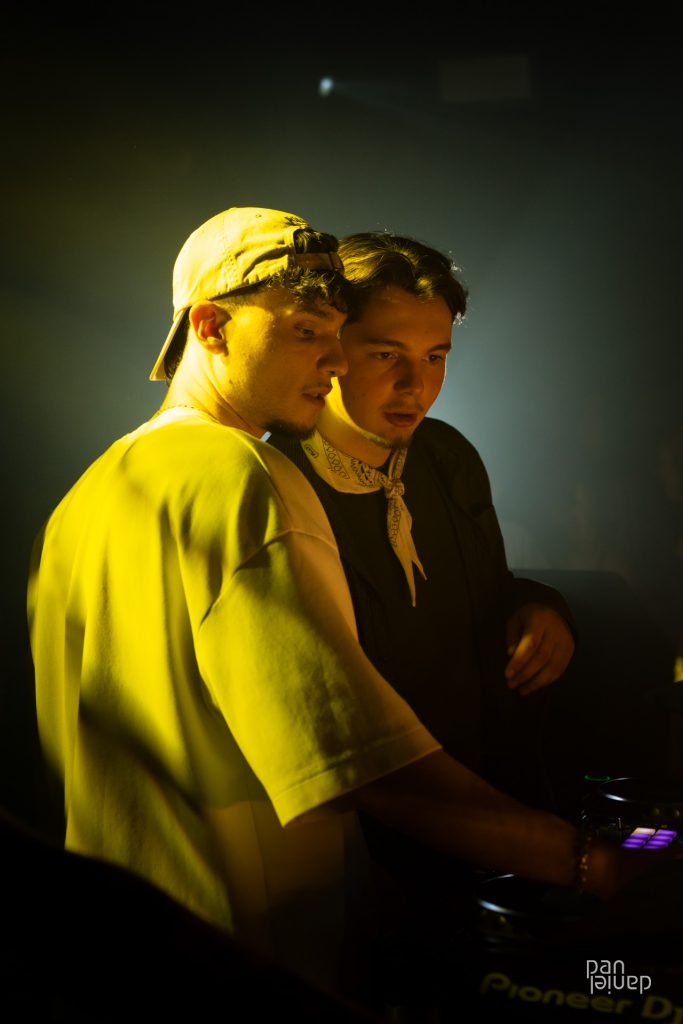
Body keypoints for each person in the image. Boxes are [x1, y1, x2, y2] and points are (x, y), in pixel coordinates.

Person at [26, 207, 667, 1006]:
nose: (332, 361)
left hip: (121, 946)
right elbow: (360, 763)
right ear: (211, 326)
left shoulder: (87, 494)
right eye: (308, 333)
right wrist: (593, 863)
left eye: (337, 335)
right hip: (246, 953)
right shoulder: (239, 476)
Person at [266, 231, 579, 927]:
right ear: (330, 346)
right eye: (386, 355)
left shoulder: (445, 455)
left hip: (490, 826)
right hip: (366, 854)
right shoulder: (276, 485)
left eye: (435, 357)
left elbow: (482, 592)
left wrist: (539, 608)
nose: (417, 386)